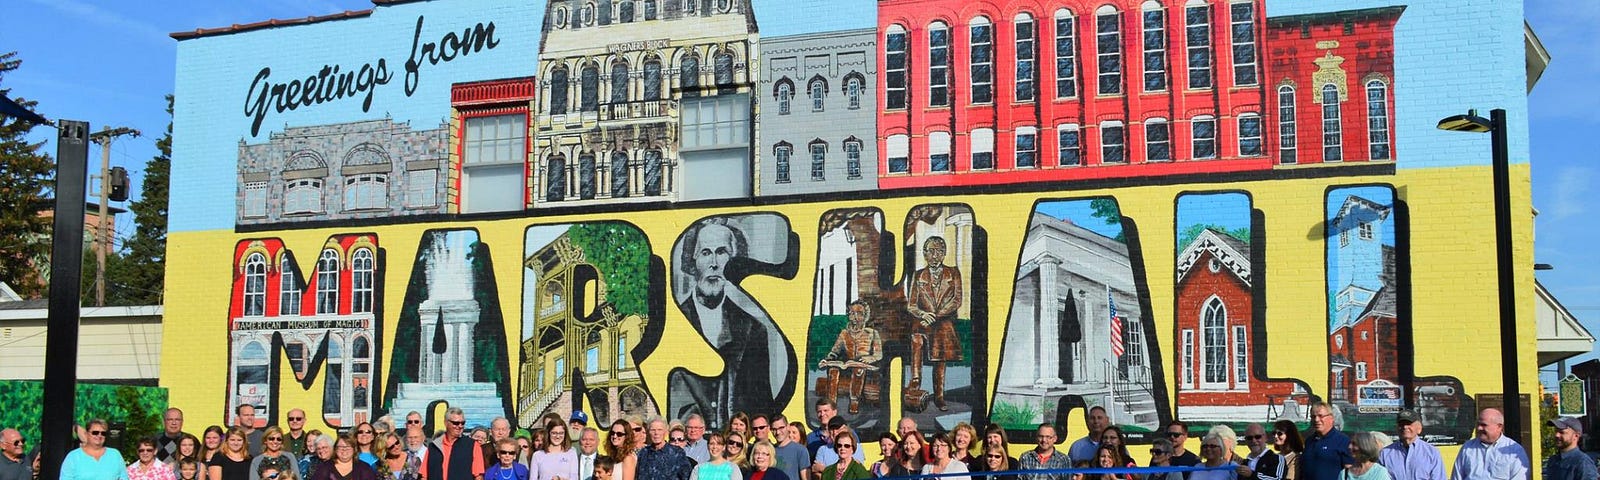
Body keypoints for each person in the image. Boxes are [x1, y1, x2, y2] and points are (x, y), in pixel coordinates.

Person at [672, 220, 794, 427]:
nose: (714, 263)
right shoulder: (675, 325)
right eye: (705, 253)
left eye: (721, 252)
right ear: (692, 263)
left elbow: (760, 403)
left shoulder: (754, 330)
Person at [904, 236, 963, 412]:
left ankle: (939, 396)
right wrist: (923, 314)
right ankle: (915, 382)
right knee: (916, 339)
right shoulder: (918, 275)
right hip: (923, 321)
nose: (935, 255)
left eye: (939, 251)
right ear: (924, 253)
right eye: (931, 250)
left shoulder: (953, 273)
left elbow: (956, 300)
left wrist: (935, 315)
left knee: (940, 355)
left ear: (944, 254)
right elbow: (911, 305)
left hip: (943, 320)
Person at [817, 303, 885, 416]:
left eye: (859, 313)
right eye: (852, 313)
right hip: (847, 365)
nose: (855, 317)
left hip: (865, 368)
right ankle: (831, 404)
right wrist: (828, 359)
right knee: (833, 370)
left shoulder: (872, 333)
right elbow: (835, 351)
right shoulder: (844, 333)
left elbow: (878, 354)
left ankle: (854, 401)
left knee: (858, 369)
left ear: (865, 316)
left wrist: (870, 358)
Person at [1449, 408, 1528, 480]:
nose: (1479, 428)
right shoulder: (1467, 448)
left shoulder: (1514, 451)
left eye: (1484, 425)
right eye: (1478, 424)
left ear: (1499, 427)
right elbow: (1456, 477)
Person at [422, 408, 486, 480]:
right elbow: (424, 476)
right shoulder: (433, 446)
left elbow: (478, 477)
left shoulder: (472, 445)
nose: (460, 426)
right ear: (446, 423)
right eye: (456, 423)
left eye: (462, 423)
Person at [1378, 410, 1442, 480]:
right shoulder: (1384, 454)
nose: (1405, 427)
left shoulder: (1432, 453)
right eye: (1401, 424)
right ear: (1397, 428)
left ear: (1419, 428)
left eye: (1409, 423)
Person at [1299, 402, 1351, 480]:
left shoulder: (1343, 441)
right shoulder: (1309, 441)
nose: (1316, 420)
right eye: (1313, 416)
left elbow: (1350, 471)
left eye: (1321, 416)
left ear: (1331, 418)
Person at [309, 437, 378, 480]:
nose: (344, 450)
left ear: (354, 449)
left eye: (348, 447)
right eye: (341, 447)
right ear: (335, 449)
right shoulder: (325, 467)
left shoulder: (364, 468)